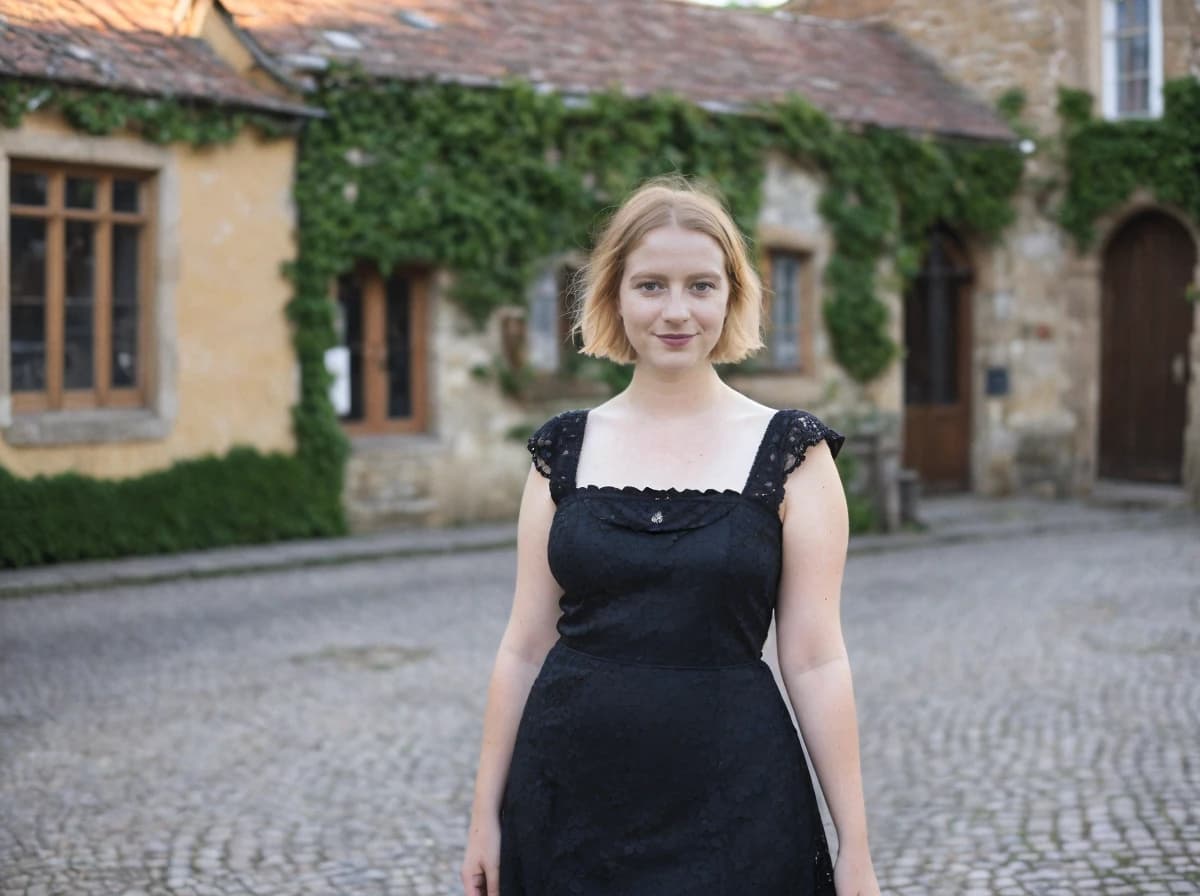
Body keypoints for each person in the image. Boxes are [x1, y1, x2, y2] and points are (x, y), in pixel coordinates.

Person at [461, 176, 880, 896]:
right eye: (651, 286)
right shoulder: (562, 450)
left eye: (701, 286)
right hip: (566, 801)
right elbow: (524, 645)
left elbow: (814, 660)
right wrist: (483, 818)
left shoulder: (793, 454)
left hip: (736, 802)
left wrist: (856, 849)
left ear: (732, 295)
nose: (677, 311)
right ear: (616, 296)